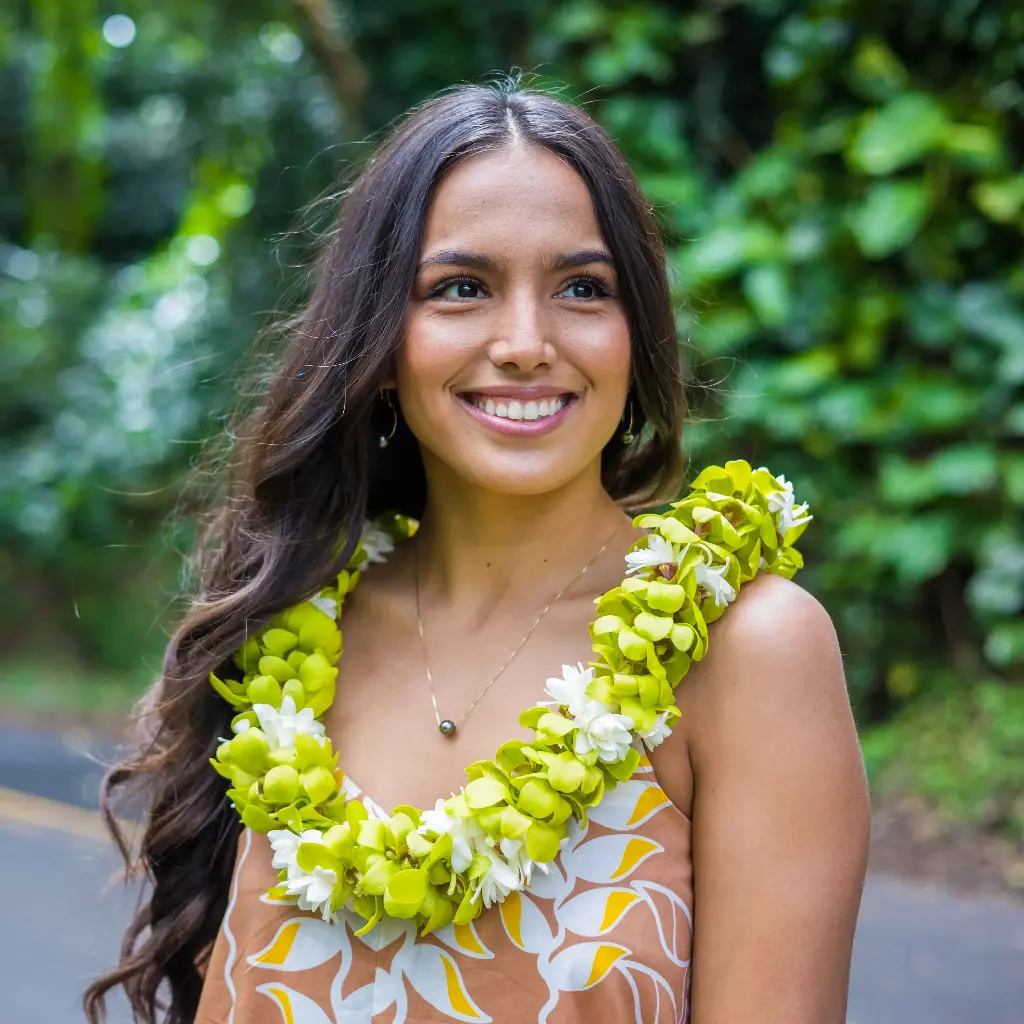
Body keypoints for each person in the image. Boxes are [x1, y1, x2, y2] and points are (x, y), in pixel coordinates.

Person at [85, 79, 869, 1024]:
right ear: (378, 339)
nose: (527, 343)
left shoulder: (743, 650)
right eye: (461, 288)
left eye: (583, 288)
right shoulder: (296, 638)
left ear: (638, 330)